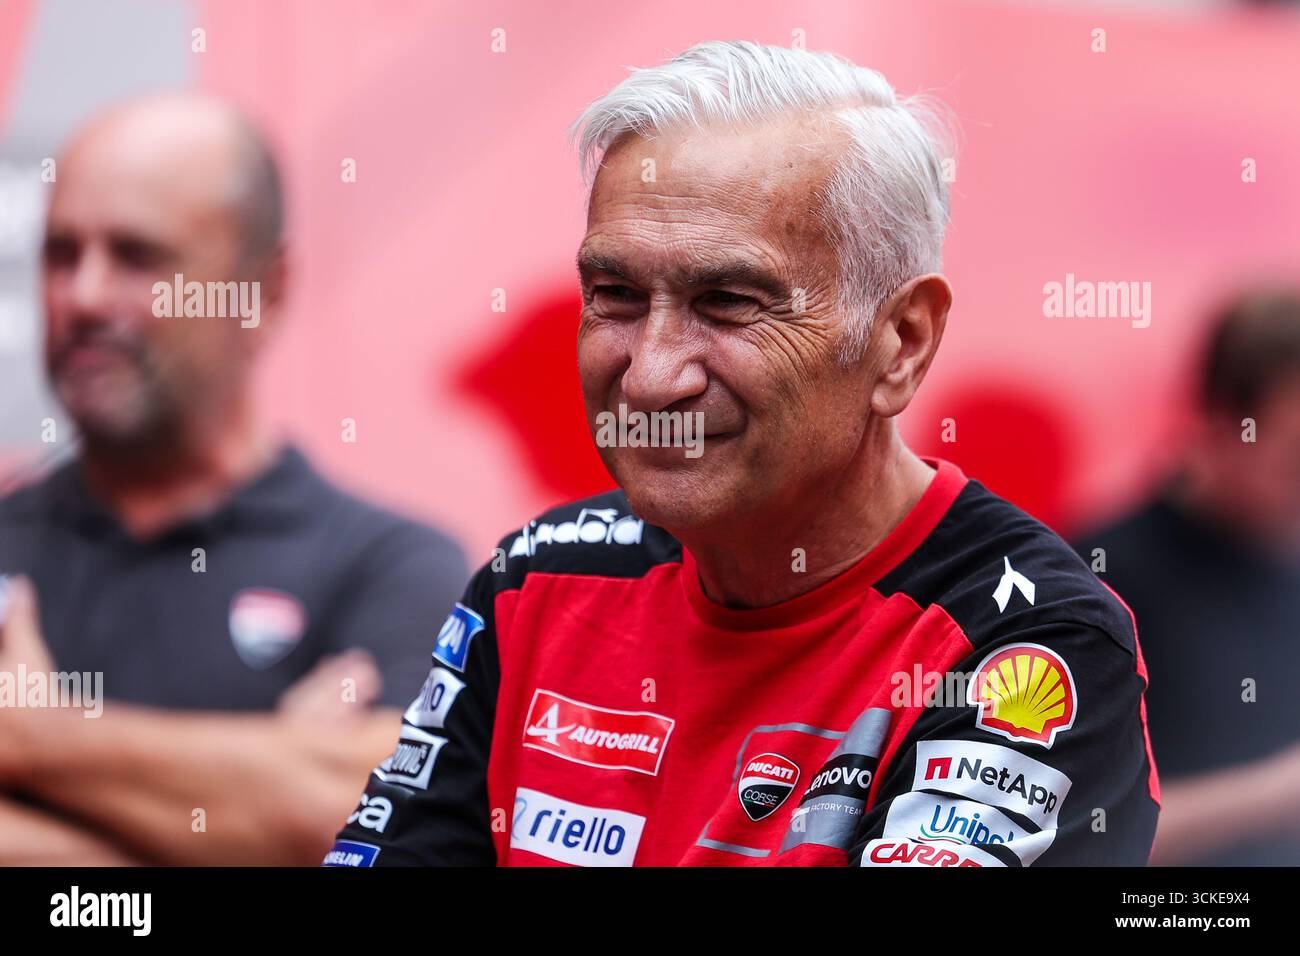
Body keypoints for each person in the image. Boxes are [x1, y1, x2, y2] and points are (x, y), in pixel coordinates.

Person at [328, 40, 1159, 868]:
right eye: (615, 296)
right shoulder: (540, 580)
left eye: (726, 303)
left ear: (900, 343)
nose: (651, 378)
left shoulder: (1028, 647)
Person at [0, 93, 466, 865]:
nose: (82, 296)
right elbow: (312, 824)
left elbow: (374, 825)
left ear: (264, 289)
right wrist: (256, 804)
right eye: (59, 254)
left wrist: (29, 736)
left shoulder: (391, 566)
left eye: (137, 256)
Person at [1075, 290, 1300, 866]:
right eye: (1294, 461)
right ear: (1222, 424)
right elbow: (1074, 837)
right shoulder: (1096, 581)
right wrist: (1274, 797)